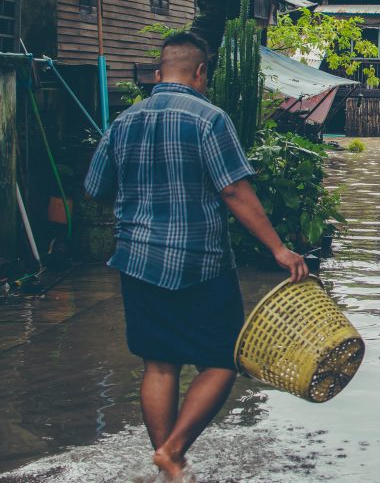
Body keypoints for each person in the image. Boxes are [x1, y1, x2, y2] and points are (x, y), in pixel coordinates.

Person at [84, 32, 308, 481]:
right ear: (201, 72)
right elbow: (232, 190)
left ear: (159, 71)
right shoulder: (209, 119)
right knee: (223, 360)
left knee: (159, 363)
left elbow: (95, 189)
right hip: (200, 261)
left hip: (138, 260)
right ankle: (174, 451)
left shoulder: (124, 121)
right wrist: (278, 248)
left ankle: (168, 463)